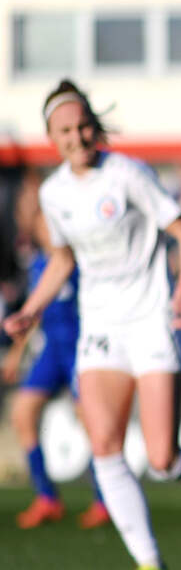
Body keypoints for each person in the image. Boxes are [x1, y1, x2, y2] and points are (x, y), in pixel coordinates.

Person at [3, 80, 181, 570]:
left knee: (162, 460)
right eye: (65, 130)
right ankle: (150, 564)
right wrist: (30, 310)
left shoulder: (128, 174)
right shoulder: (53, 194)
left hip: (152, 321)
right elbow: (63, 259)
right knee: (104, 446)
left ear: (94, 127)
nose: (77, 137)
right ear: (51, 137)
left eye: (83, 126)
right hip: (100, 327)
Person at [7, 191, 108, 530]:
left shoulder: (78, 263)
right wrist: (15, 355)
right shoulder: (38, 266)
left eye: (48, 225)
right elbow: (32, 315)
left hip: (81, 349)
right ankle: (46, 497)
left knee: (90, 423)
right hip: (52, 350)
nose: (44, 231)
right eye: (40, 226)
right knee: (22, 411)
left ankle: (105, 501)